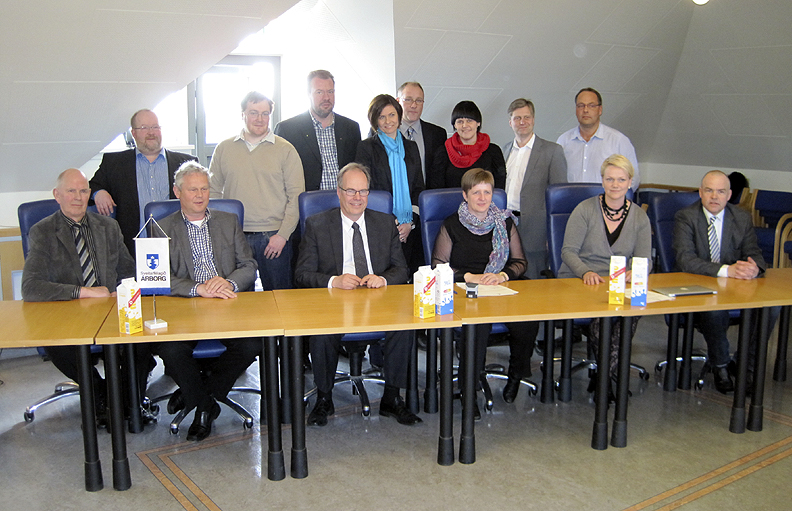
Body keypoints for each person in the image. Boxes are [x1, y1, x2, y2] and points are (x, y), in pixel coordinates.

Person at [295, 163, 421, 427]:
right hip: (335, 302)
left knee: (405, 324)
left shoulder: (384, 223)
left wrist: (382, 278)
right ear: (338, 192)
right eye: (351, 191)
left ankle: (391, 397)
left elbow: (401, 269)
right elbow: (302, 274)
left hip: (377, 301)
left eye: (363, 191)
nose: (357, 197)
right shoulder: (317, 224)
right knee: (322, 330)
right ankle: (324, 397)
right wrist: (334, 280)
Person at [22, 168, 150, 426]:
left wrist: (121, 290)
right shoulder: (43, 232)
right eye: (71, 191)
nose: (78, 197)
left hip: (109, 311)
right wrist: (83, 292)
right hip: (67, 313)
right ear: (57, 195)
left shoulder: (109, 227)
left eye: (83, 191)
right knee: (59, 345)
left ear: (89, 194)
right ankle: (101, 395)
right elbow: (31, 287)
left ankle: (127, 403)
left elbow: (128, 272)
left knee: (143, 343)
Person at [150, 162, 260, 441]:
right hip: (185, 307)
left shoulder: (228, 221)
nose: (200, 195)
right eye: (192, 190)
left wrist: (229, 282)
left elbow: (248, 265)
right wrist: (196, 288)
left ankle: (196, 395)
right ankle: (205, 404)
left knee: (252, 343)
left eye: (204, 189)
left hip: (227, 304)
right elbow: (158, 278)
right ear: (177, 192)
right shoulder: (162, 228)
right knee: (171, 349)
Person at [431, 168, 538, 409]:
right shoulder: (452, 224)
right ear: (465, 195)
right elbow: (438, 265)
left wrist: (502, 275)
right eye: (476, 192)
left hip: (499, 288)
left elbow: (520, 262)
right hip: (465, 289)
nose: (482, 198)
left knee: (527, 320)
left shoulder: (505, 222)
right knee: (476, 325)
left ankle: (516, 376)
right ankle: (468, 391)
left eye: (487, 192)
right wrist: (470, 276)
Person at [673, 170, 778, 393]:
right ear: (700, 192)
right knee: (715, 309)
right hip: (698, 286)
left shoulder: (740, 217)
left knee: (771, 306)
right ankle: (720, 365)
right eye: (709, 190)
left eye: (721, 191)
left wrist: (754, 268)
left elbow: (755, 253)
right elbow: (685, 260)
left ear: (729, 195)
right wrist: (727, 270)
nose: (714, 196)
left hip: (735, 287)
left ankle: (746, 366)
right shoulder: (686, 217)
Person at [558, 155, 652, 387]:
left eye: (621, 179)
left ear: (630, 182)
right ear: (602, 181)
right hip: (582, 280)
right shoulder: (585, 209)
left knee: (630, 315)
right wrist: (586, 272)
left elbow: (645, 260)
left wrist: (634, 271)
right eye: (610, 179)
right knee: (604, 319)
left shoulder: (639, 216)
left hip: (619, 283)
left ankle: (604, 378)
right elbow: (568, 252)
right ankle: (610, 381)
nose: (615, 184)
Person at [209, 91, 304, 291]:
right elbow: (214, 193)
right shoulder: (224, 148)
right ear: (242, 114)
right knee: (238, 299)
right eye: (253, 113)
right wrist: (222, 234)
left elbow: (296, 196)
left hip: (274, 237)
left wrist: (283, 235)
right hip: (235, 237)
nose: (260, 119)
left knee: (279, 298)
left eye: (265, 113)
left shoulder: (285, 150)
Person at [89, 109, 198, 255]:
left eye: (155, 127)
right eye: (144, 128)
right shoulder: (114, 163)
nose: (151, 132)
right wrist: (98, 192)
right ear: (133, 133)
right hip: (131, 250)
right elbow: (90, 186)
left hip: (179, 248)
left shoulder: (186, 162)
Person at [355, 94, 425, 272]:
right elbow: (365, 190)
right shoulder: (366, 148)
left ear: (399, 116)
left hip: (410, 227)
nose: (388, 121)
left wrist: (410, 222)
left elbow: (418, 187)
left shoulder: (411, 147)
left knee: (409, 274)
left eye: (392, 115)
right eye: (382, 117)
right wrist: (391, 223)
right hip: (379, 227)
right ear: (374, 120)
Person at [502, 98, 568, 278]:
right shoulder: (504, 150)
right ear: (510, 122)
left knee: (534, 282)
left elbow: (559, 199)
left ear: (533, 119)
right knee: (508, 280)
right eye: (517, 118)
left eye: (526, 117)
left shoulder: (552, 151)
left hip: (536, 230)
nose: (522, 122)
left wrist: (552, 234)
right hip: (507, 224)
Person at [274, 69, 361, 191]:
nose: (326, 97)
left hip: (344, 201)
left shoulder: (351, 128)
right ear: (308, 94)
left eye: (330, 91)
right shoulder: (287, 130)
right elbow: (278, 176)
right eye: (319, 92)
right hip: (305, 201)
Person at [556, 88, 640, 192]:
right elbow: (556, 178)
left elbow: (633, 179)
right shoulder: (563, 141)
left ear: (600, 110)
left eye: (591, 106)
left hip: (606, 201)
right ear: (576, 109)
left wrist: (615, 198)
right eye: (581, 106)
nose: (585, 110)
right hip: (571, 201)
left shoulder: (618, 141)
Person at [428, 100, 506, 190]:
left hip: (484, 199)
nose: (465, 125)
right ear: (454, 125)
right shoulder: (443, 152)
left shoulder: (493, 151)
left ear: (478, 123)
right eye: (460, 121)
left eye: (469, 121)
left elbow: (499, 188)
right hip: (451, 199)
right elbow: (437, 190)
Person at [396, 81, 448, 186]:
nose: (414, 105)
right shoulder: (383, 133)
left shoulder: (438, 134)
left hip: (426, 195)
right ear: (398, 102)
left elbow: (439, 175)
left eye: (419, 100)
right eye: (408, 99)